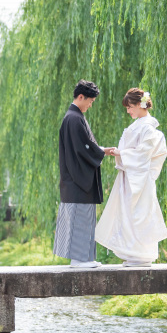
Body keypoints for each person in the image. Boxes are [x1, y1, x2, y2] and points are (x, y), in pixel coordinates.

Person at [95, 88, 167, 267]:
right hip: (130, 176)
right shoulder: (138, 126)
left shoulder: (149, 128)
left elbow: (144, 153)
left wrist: (122, 153)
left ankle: (141, 255)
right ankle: (132, 253)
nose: (128, 111)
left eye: (130, 107)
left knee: (140, 213)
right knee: (127, 214)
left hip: (140, 178)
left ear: (139, 105)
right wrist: (121, 154)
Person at [53, 80, 115, 268]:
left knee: (82, 219)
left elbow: (84, 147)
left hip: (75, 180)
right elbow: (82, 149)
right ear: (81, 97)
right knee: (80, 219)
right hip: (78, 181)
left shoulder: (73, 116)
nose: (90, 105)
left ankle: (83, 259)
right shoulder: (73, 118)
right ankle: (79, 259)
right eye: (90, 101)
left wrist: (100, 150)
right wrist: (101, 151)